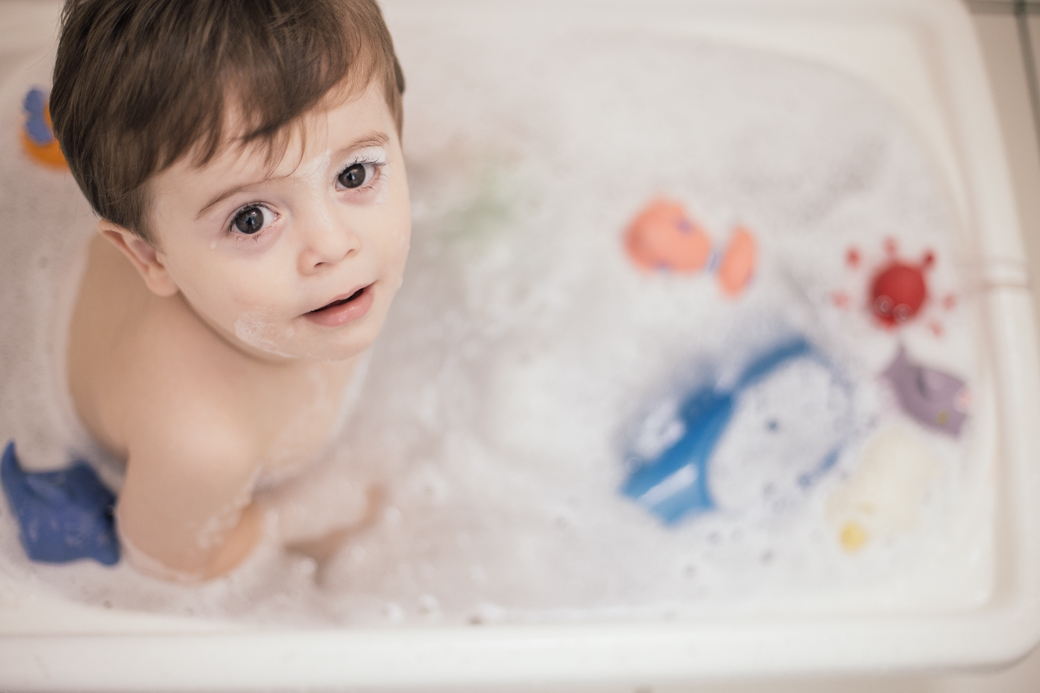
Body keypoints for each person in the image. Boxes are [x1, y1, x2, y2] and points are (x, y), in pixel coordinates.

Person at [49, 0, 410, 581]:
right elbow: (175, 563)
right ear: (149, 256)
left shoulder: (294, 288)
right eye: (250, 219)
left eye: (354, 174)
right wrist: (302, 515)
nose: (333, 245)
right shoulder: (201, 441)